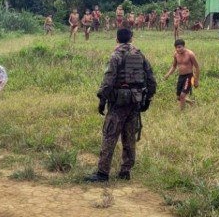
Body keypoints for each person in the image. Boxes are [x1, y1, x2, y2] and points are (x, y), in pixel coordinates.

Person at [85, 28, 156, 182]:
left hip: (118, 103)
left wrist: (102, 100)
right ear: (131, 38)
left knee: (110, 136)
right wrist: (148, 99)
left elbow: (108, 80)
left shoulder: (116, 55)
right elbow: (151, 79)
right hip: (135, 101)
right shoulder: (139, 55)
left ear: (117, 39)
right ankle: (125, 171)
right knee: (129, 137)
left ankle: (103, 173)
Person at [163, 39, 200, 110]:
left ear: (184, 46)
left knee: (182, 95)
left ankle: (182, 113)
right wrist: (167, 75)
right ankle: (191, 102)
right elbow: (174, 66)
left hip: (189, 76)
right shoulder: (176, 55)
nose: (178, 49)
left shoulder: (190, 54)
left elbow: (197, 67)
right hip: (181, 77)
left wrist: (196, 80)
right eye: (176, 48)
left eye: (179, 47)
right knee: (179, 97)